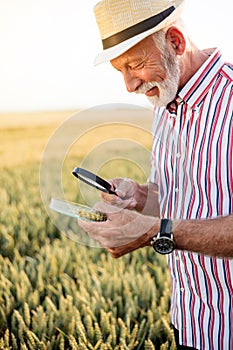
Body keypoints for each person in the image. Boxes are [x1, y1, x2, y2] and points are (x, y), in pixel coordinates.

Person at [78, 0, 233, 349]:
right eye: (120, 71)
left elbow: (169, 226)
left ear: (175, 42)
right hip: (191, 321)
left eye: (135, 65)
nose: (129, 85)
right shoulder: (164, 102)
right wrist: (139, 196)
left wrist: (156, 231)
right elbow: (185, 198)